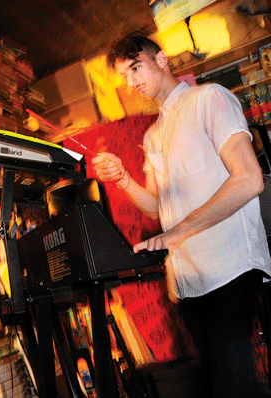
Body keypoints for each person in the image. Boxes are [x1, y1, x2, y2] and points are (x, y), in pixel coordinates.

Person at [92, 32, 271, 397]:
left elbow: (250, 179)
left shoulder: (210, 98)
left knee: (233, 385)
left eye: (136, 67)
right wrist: (124, 178)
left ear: (161, 59)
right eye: (125, 77)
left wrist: (180, 229)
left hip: (230, 266)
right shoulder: (154, 135)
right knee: (217, 385)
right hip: (188, 282)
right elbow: (158, 207)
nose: (132, 82)